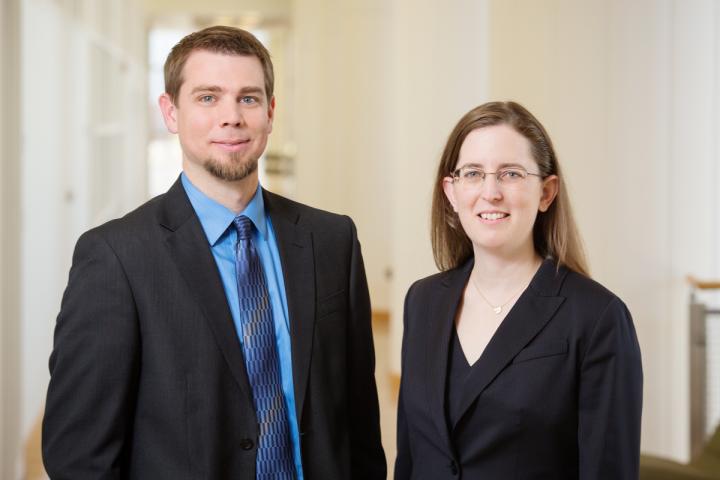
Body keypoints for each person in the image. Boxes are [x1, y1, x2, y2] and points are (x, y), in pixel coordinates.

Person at [42, 25, 386, 480]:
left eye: (248, 98)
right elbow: (79, 457)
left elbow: (359, 423)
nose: (232, 117)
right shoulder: (115, 258)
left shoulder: (332, 240)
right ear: (170, 112)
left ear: (270, 111)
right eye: (207, 98)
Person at [394, 101, 642, 479]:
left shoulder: (597, 318)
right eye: (473, 173)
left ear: (546, 192)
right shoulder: (423, 301)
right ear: (452, 191)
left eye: (510, 174)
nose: (490, 192)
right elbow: (411, 457)